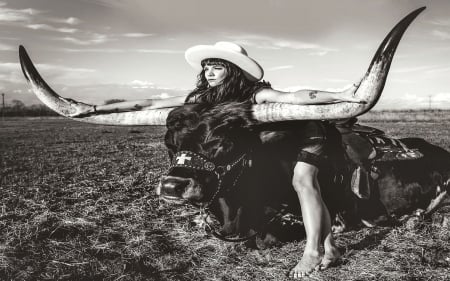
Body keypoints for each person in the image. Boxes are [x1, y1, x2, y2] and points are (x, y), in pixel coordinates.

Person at [72, 41, 362, 278]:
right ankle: (329, 248)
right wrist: (94, 108)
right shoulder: (202, 97)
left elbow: (296, 98)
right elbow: (149, 103)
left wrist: (341, 94)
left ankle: (315, 250)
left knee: (302, 181)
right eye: (207, 67)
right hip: (264, 141)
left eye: (217, 67)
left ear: (232, 70)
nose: (210, 72)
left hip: (304, 133)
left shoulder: (254, 93)